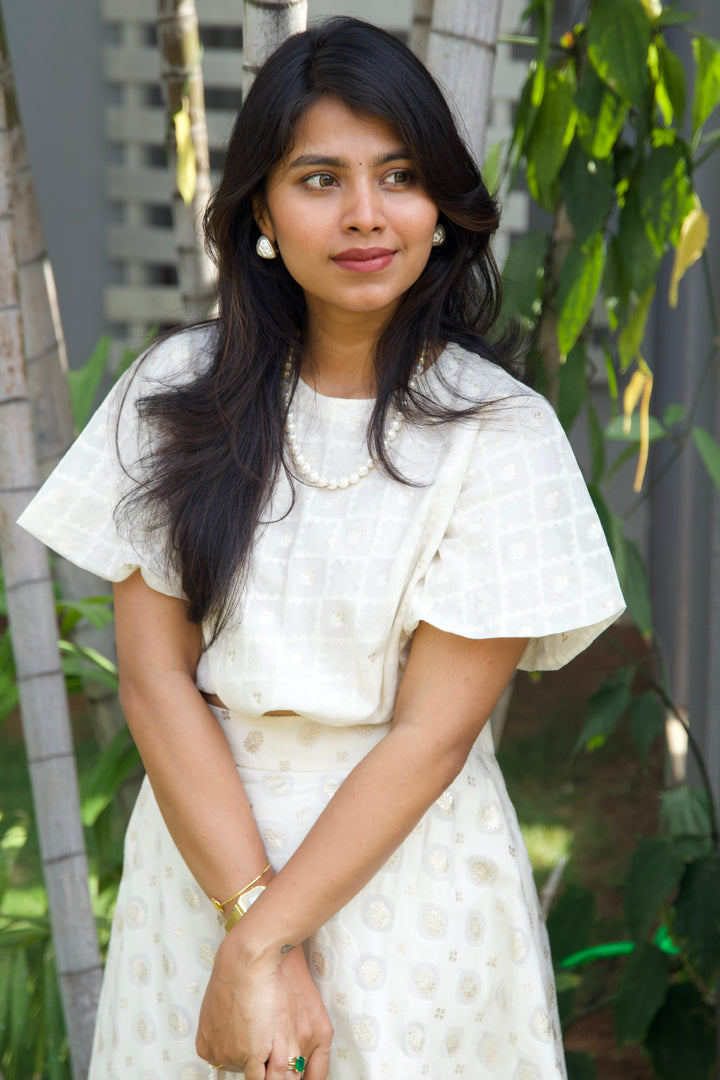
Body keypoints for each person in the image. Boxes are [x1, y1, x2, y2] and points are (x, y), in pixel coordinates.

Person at [18, 16, 624, 1080]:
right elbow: (157, 682)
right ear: (260, 207)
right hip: (200, 870)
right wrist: (244, 917)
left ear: (441, 205)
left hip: (409, 891)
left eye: (398, 176)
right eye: (318, 178)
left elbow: (430, 738)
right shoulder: (174, 395)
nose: (364, 216)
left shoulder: (500, 433)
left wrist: (259, 945)